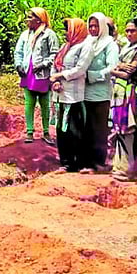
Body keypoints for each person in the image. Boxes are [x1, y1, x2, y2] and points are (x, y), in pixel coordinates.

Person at [110, 19, 137, 181]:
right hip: (120, 94)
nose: (129, 34)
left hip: (131, 95)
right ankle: (124, 168)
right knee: (120, 130)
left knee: (129, 130)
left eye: (133, 31)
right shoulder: (126, 49)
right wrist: (119, 66)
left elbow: (128, 73)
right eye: (127, 31)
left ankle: (127, 169)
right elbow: (122, 68)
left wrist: (114, 70)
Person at [49, 18, 91, 172]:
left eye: (67, 30)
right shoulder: (64, 47)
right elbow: (55, 65)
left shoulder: (84, 47)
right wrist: (55, 81)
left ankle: (77, 162)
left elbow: (80, 70)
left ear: (76, 30)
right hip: (60, 94)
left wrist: (60, 76)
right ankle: (65, 162)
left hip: (74, 95)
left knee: (74, 130)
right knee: (61, 130)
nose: (65, 33)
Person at [13, 7, 59, 144]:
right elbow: (18, 52)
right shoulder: (25, 35)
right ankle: (29, 131)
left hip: (42, 74)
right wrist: (18, 65)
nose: (27, 20)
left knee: (44, 103)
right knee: (29, 103)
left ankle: (46, 132)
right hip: (27, 72)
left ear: (39, 20)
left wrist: (44, 64)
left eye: (30, 17)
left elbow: (54, 54)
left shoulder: (49, 34)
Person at [81, 12, 119, 173]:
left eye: (96, 26)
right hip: (84, 91)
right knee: (87, 127)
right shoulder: (87, 42)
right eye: (90, 26)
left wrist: (93, 76)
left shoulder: (110, 45)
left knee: (99, 128)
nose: (93, 29)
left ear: (103, 27)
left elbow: (112, 67)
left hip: (101, 92)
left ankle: (99, 162)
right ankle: (87, 161)